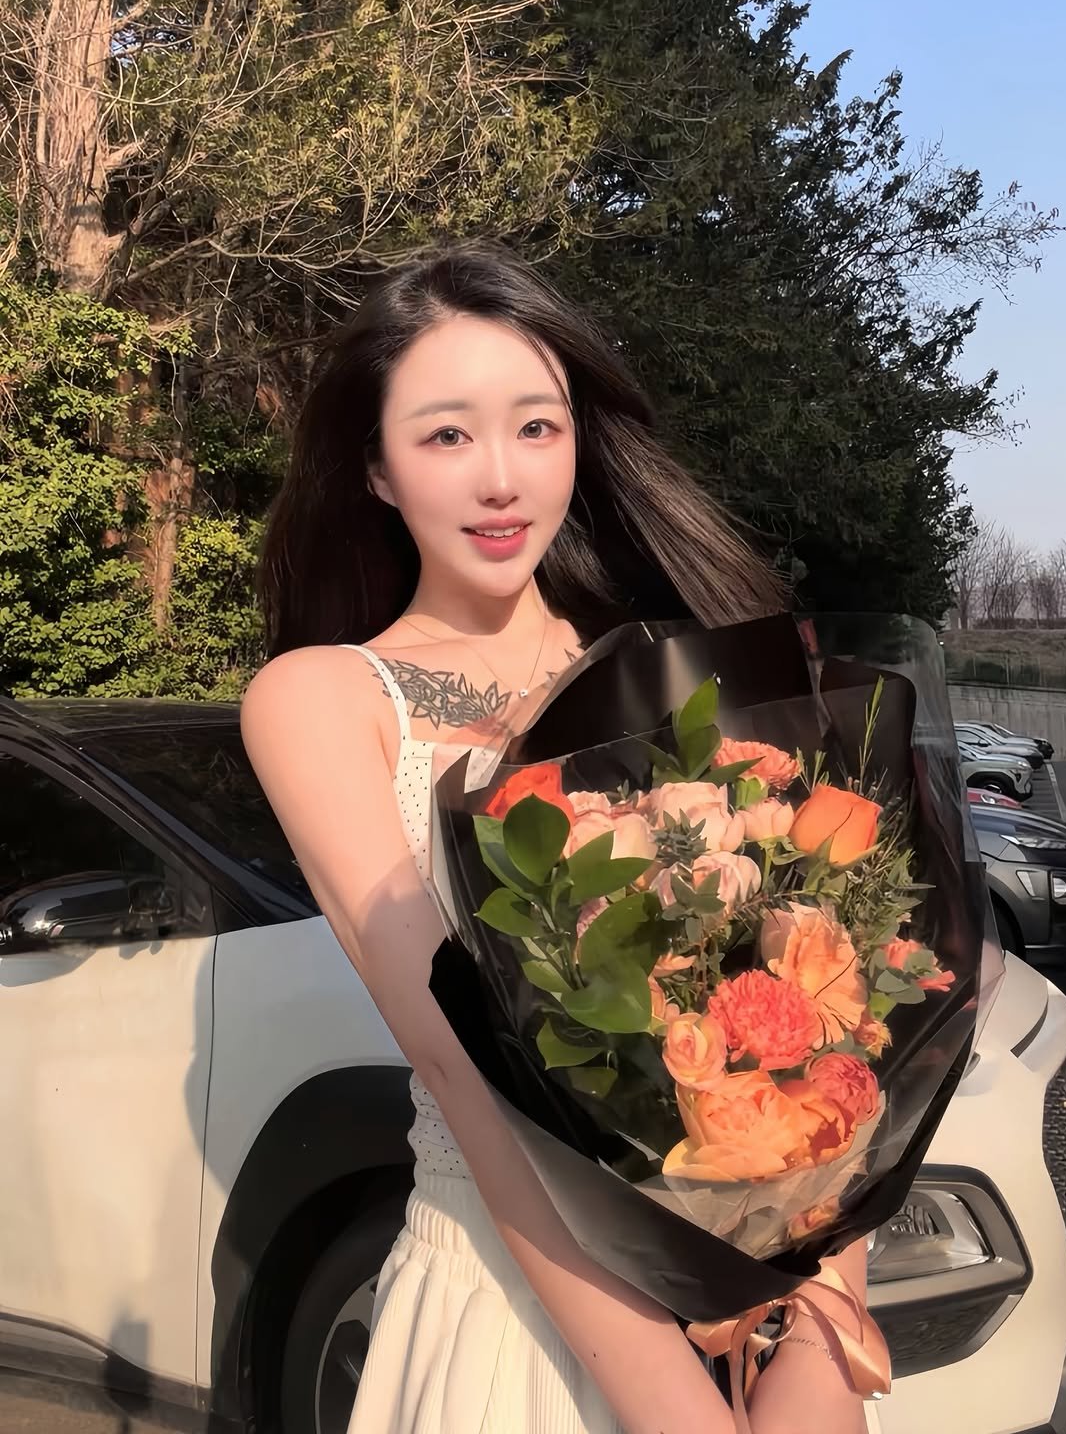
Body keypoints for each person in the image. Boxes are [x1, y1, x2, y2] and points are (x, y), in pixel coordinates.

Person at [241, 243, 877, 1434]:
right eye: (445, 436)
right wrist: (672, 1407)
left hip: (776, 1315)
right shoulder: (324, 698)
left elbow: (845, 1014)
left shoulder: (687, 677)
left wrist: (827, 1324)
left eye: (537, 428)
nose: (500, 479)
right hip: (520, 1301)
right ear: (375, 469)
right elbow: (467, 1073)